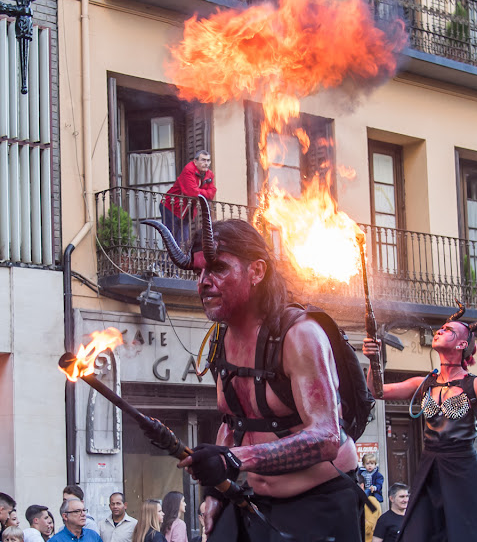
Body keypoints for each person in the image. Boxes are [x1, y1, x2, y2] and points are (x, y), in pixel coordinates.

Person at [149, 208, 364, 542]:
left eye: (218, 268)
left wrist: (233, 460)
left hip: (319, 506)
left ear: (257, 271)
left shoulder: (300, 334)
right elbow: (232, 422)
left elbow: (327, 437)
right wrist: (218, 494)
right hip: (251, 501)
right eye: (200, 270)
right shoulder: (221, 338)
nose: (204, 282)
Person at [363, 301, 477, 542]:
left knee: (465, 534)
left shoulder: (474, 384)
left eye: (449, 330)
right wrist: (372, 361)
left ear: (461, 344)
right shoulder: (424, 383)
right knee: (418, 533)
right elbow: (377, 392)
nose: (440, 330)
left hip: (462, 468)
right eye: (441, 328)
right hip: (430, 465)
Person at [160, 150, 216, 246]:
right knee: (171, 241)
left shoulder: (209, 174)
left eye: (208, 161)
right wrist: (203, 193)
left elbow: (212, 192)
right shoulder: (189, 170)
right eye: (203, 160)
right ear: (195, 161)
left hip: (186, 211)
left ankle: (169, 261)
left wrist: (200, 192)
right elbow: (192, 192)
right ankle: (163, 261)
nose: (206, 163)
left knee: (183, 243)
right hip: (171, 207)